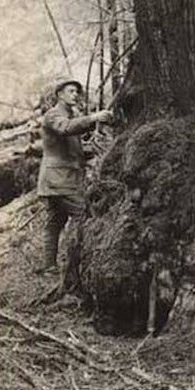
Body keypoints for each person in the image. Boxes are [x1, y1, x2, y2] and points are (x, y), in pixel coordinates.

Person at [36, 78, 113, 274]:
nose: (75, 95)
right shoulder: (53, 115)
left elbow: (71, 145)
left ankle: (49, 267)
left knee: (54, 222)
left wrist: (93, 148)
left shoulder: (70, 115)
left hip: (61, 179)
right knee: (83, 214)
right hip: (59, 179)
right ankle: (77, 263)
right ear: (59, 94)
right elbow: (66, 128)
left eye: (76, 92)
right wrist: (94, 118)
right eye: (70, 91)